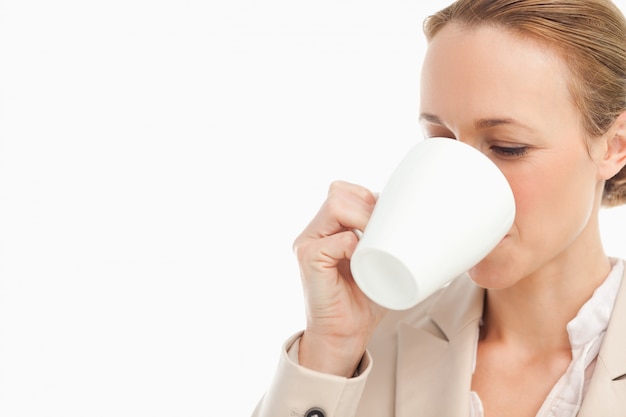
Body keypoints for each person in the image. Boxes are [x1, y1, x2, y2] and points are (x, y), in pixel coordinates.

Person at [252, 0, 626, 416]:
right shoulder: (365, 351)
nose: (461, 186)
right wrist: (330, 351)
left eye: (507, 148)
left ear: (615, 146)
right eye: (440, 140)